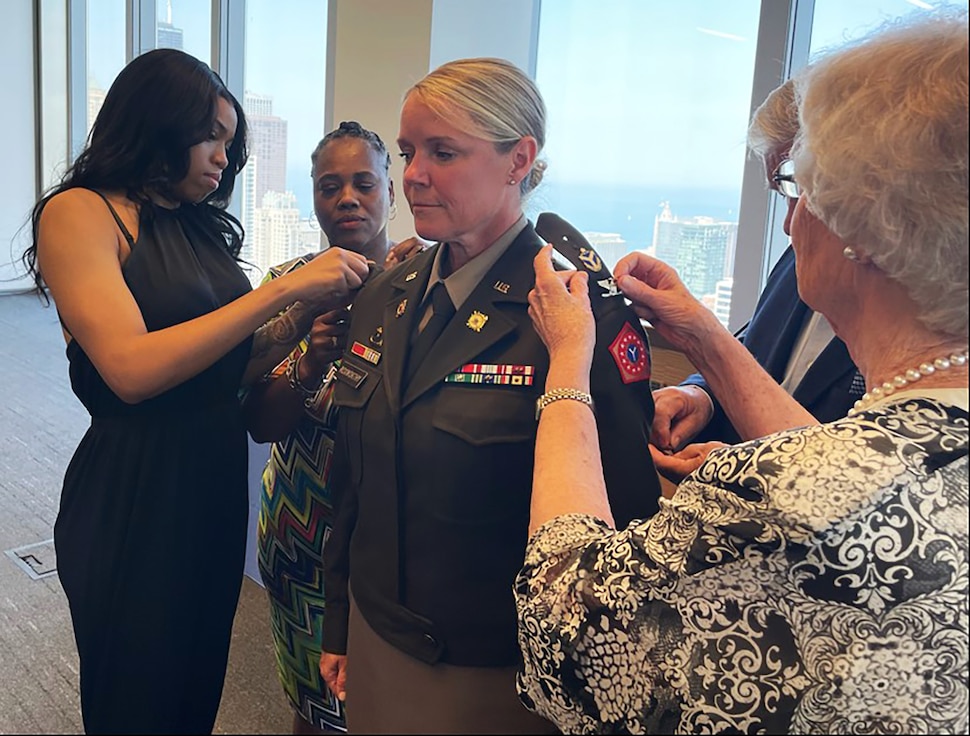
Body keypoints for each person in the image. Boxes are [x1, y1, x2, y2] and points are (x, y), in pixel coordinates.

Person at [516, 11, 968, 735]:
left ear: (866, 224)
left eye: (800, 187)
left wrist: (568, 362)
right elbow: (861, 484)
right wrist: (699, 336)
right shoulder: (924, 443)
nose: (789, 222)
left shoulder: (780, 491)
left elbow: (564, 623)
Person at [22, 49, 369, 734]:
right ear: (159, 123)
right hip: (136, 493)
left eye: (230, 143)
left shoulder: (193, 222)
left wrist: (296, 322)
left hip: (208, 492)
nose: (222, 158)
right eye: (211, 136)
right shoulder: (81, 213)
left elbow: (223, 367)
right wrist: (283, 291)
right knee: (136, 702)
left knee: (193, 693)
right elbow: (131, 369)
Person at [319, 57, 662, 733]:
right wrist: (340, 620)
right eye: (410, 151)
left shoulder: (575, 320)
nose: (413, 174)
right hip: (375, 635)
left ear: (518, 161)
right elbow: (352, 483)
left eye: (444, 153)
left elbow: (626, 529)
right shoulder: (385, 294)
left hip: (498, 678)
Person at [243, 121, 425, 735]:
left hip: (391, 543)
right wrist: (311, 360)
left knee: (387, 707)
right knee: (313, 705)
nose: (347, 198)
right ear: (314, 198)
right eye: (329, 186)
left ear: (390, 194)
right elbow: (260, 423)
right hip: (303, 533)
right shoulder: (286, 287)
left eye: (363, 184)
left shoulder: (425, 288)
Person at [650, 78, 863, 482]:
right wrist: (702, 397)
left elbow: (863, 487)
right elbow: (756, 348)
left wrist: (744, 468)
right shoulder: (798, 254)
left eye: (800, 185)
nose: (789, 223)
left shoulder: (928, 316)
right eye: (786, 191)